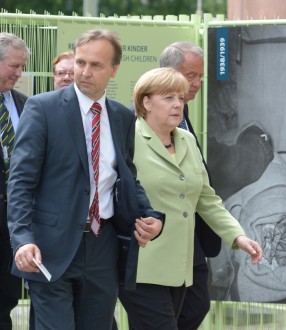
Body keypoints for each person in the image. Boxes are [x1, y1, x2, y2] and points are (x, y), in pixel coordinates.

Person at [7, 29, 164, 330]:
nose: (85, 72)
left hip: (102, 246)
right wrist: (23, 239)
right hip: (48, 247)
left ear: (114, 70)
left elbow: (126, 178)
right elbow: (21, 182)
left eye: (96, 65)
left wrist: (151, 217)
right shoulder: (42, 108)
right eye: (81, 62)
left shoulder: (122, 117)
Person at [118, 67, 263, 329]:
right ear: (146, 101)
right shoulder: (129, 137)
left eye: (181, 98)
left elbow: (206, 198)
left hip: (181, 269)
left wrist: (237, 236)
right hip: (142, 266)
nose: (178, 105)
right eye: (168, 98)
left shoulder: (185, 139)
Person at [159, 41, 222, 330]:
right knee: (162, 314)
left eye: (201, 77)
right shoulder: (149, 120)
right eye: (191, 75)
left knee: (195, 305)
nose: (197, 83)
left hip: (192, 235)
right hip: (161, 236)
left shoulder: (183, 115)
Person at [0, 32, 29, 330]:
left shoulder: (26, 105)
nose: (19, 73)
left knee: (9, 294)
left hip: (15, 216)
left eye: (22, 67)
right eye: (13, 66)